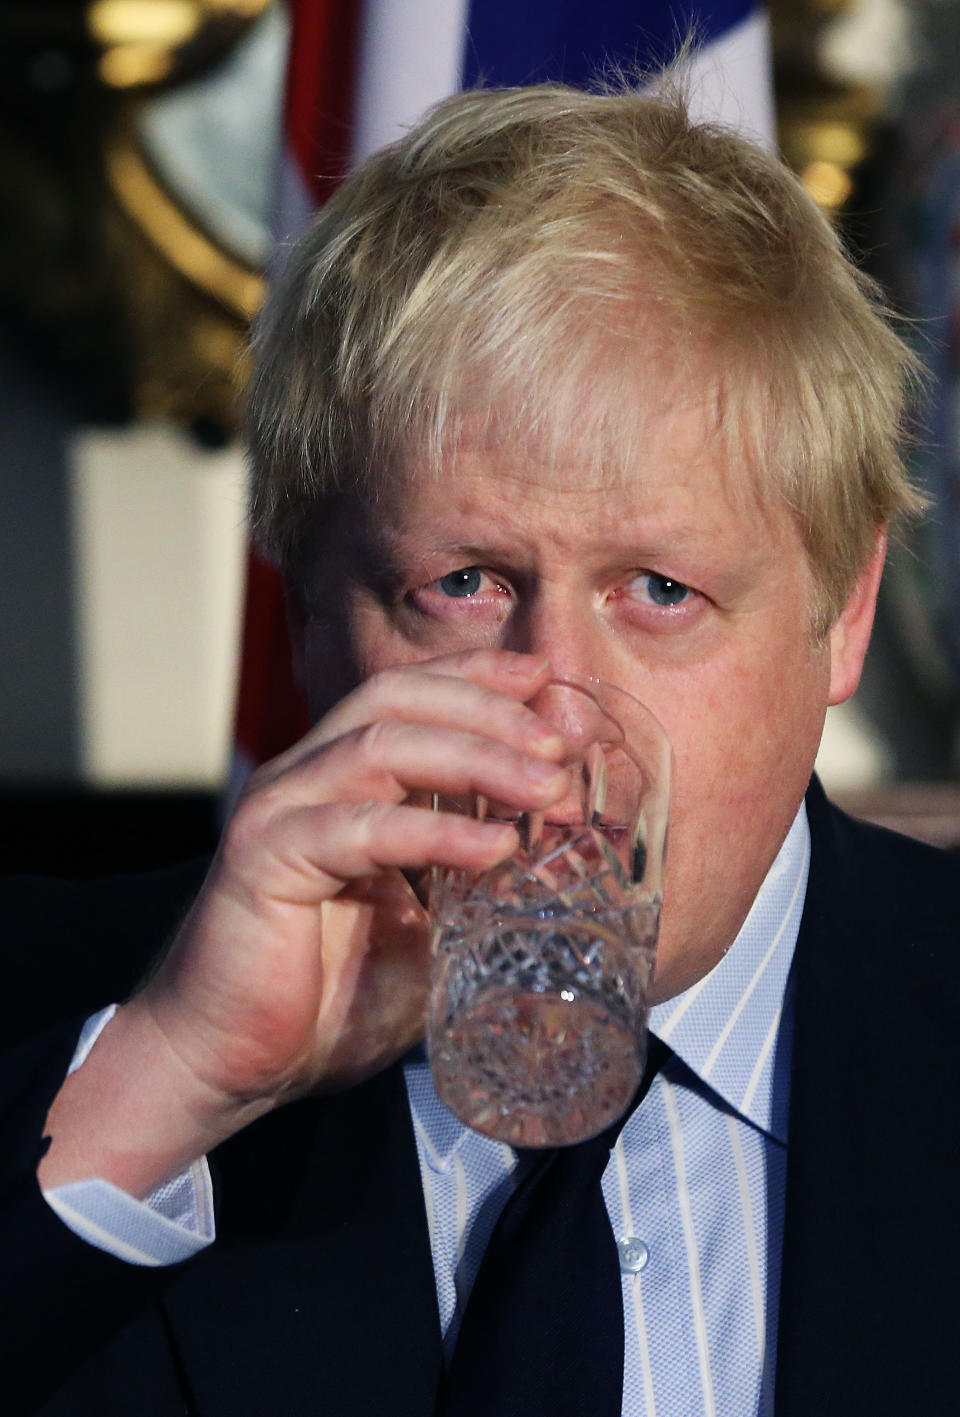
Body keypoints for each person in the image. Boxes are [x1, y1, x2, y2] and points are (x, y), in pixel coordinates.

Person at [5, 76, 960, 1417]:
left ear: (843, 611)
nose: (555, 716)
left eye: (661, 590)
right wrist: (168, 1079)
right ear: (303, 615)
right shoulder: (76, 1043)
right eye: (461, 582)